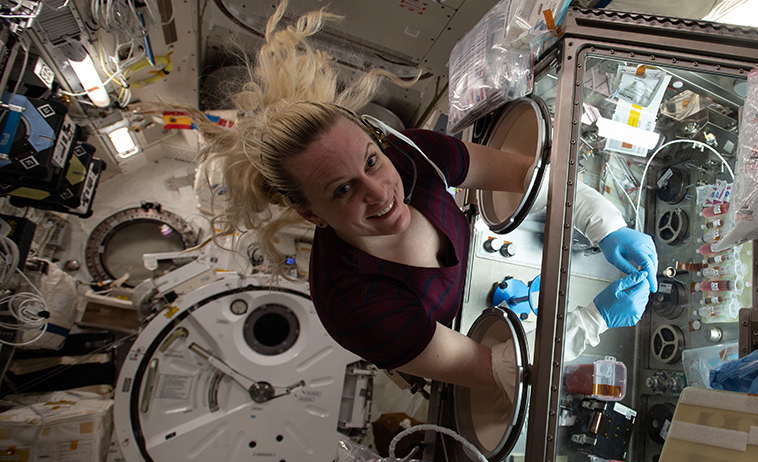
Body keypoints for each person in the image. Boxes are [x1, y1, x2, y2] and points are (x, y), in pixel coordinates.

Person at [193, 1, 658, 397]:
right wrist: (593, 320)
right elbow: (495, 370)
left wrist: (606, 224)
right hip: (462, 348)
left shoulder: (416, 156)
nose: (379, 194)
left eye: (371, 162)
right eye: (342, 190)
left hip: (499, 294)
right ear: (310, 213)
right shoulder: (357, 306)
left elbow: (530, 177)